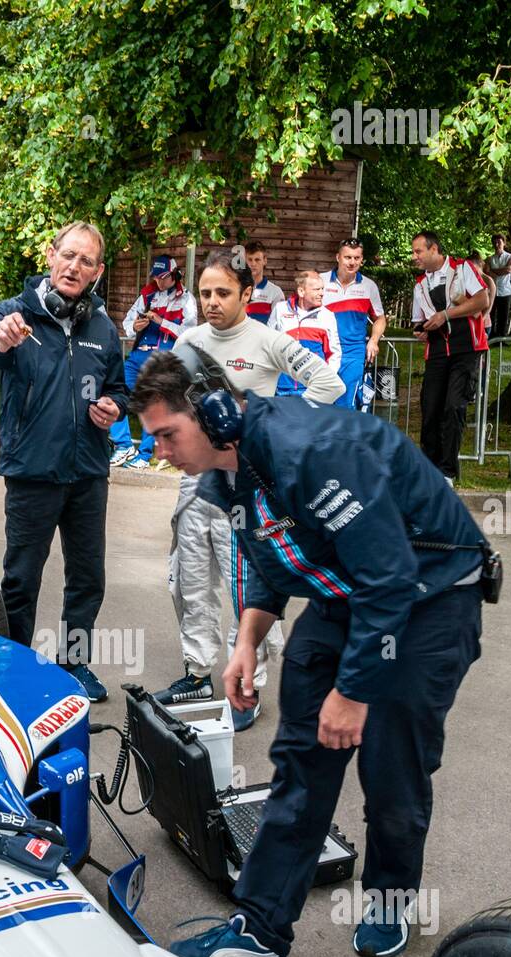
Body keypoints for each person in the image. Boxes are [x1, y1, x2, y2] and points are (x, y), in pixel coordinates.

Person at [131, 348, 487, 957]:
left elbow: (390, 578)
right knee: (300, 759)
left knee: (391, 764)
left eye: (166, 434)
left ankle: (390, 898)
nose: (160, 451)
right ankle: (261, 932)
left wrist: (353, 692)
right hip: (347, 594)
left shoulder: (309, 452)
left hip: (428, 596)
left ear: (213, 414)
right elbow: (269, 562)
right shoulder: (226, 472)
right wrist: (247, 641)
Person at [152, 252, 343, 724]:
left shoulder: (268, 339)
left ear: (246, 294)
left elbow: (329, 383)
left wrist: (275, 430)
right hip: (197, 483)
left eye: (222, 293)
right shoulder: (188, 341)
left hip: (249, 488)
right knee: (190, 579)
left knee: (247, 587)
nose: (212, 302)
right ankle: (197, 672)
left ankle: (248, 689)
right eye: (205, 293)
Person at [0, 221, 128, 703]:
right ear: (50, 255)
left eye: (86, 261)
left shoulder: (103, 327)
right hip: (32, 472)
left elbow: (118, 388)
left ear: (97, 272)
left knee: (87, 577)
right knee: (21, 577)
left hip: (88, 473)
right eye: (68, 255)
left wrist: (114, 408)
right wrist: (1, 339)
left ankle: (74, 664)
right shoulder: (17, 313)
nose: (74, 267)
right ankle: (16, 668)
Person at [411, 230, 489, 483]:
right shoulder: (420, 283)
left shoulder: (462, 268)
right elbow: (418, 322)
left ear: (434, 249)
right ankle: (428, 469)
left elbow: (481, 300)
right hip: (436, 352)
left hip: (466, 348)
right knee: (430, 409)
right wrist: (420, 331)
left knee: (454, 407)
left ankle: (447, 471)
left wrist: (445, 315)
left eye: (418, 251)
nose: (415, 257)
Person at [109, 255, 197, 468]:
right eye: (156, 277)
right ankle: (123, 445)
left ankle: (144, 454)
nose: (159, 282)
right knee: (114, 390)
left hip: (163, 358)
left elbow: (190, 332)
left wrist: (161, 321)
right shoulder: (147, 294)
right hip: (138, 354)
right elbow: (127, 321)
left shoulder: (186, 299)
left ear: (174, 275)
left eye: (163, 277)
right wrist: (135, 327)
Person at [321, 238, 386, 408]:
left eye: (356, 258)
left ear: (362, 260)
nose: (352, 262)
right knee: (321, 402)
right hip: (323, 351)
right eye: (347, 257)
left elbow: (380, 318)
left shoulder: (369, 286)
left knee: (347, 403)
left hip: (353, 353)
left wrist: (374, 340)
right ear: (338, 257)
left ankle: (345, 435)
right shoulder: (320, 281)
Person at [267, 269, 342, 393]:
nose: (322, 293)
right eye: (316, 289)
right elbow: (267, 344)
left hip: (312, 388)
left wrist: (325, 382)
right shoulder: (280, 309)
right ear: (301, 291)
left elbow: (334, 353)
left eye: (322, 289)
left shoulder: (327, 316)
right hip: (283, 387)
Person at [244, 241, 284, 325]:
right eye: (250, 260)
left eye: (257, 260)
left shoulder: (275, 292)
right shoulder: (236, 288)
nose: (253, 264)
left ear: (265, 261)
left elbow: (278, 324)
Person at [486, 234, 511, 340]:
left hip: (505, 291)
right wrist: (500, 271)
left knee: (504, 316)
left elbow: (509, 269)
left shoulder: (510, 256)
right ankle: (492, 337)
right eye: (494, 242)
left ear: (504, 243)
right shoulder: (489, 258)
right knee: (492, 314)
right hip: (493, 291)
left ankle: (502, 338)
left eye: (499, 241)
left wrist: (494, 271)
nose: (496, 244)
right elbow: (487, 272)